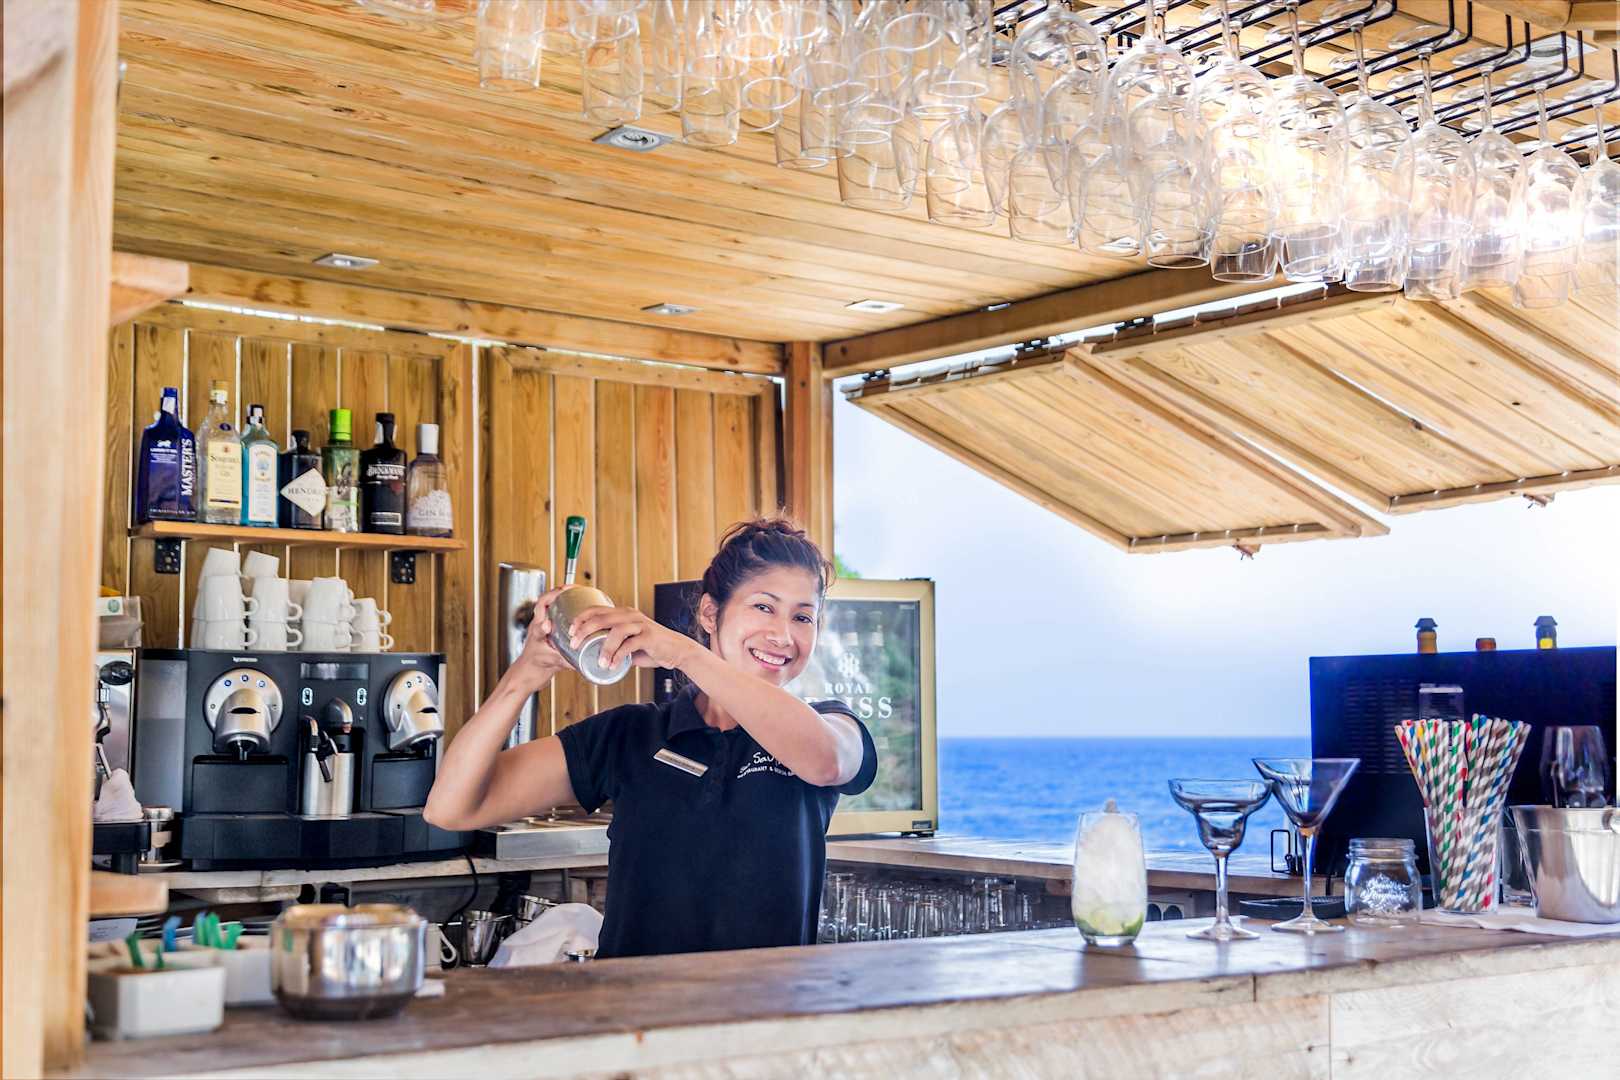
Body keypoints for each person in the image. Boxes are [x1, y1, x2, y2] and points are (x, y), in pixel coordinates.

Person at [424, 518, 878, 958]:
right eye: (763, 607)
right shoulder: (630, 734)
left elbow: (827, 762)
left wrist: (683, 652)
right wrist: (525, 675)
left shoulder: (828, 726)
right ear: (710, 613)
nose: (783, 635)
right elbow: (452, 807)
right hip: (634, 1005)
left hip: (766, 1008)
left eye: (803, 617)